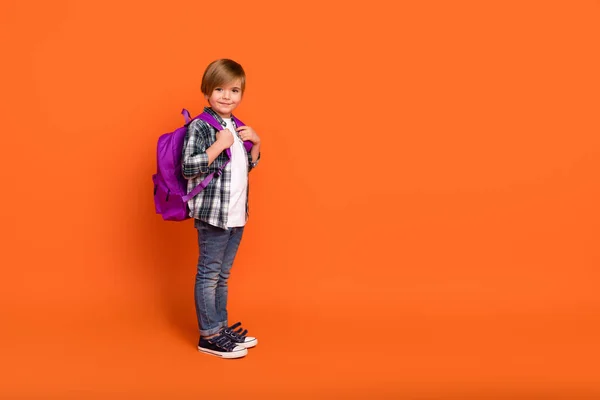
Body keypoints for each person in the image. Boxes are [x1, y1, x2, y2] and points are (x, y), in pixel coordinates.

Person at [181, 59, 261, 359]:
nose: (227, 96)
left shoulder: (236, 125)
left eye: (234, 90)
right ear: (206, 92)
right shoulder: (201, 126)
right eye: (219, 89)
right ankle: (209, 336)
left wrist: (255, 144)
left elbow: (241, 169)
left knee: (222, 276)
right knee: (209, 274)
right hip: (213, 216)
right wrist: (218, 145)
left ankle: (221, 327)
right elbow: (189, 167)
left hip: (236, 214)